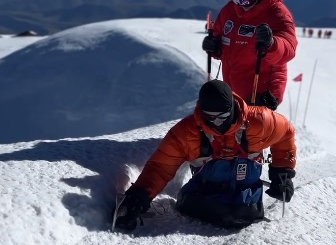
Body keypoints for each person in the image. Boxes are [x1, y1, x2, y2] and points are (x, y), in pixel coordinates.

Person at [114, 80, 296, 231]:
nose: (217, 123)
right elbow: (161, 166)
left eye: (223, 116)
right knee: (194, 205)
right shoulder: (187, 132)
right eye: (211, 117)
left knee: (240, 210)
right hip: (205, 190)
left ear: (232, 108)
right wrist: (140, 196)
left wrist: (282, 173)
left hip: (245, 194)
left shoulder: (260, 121)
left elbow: (286, 133)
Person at [202, 0, 298, 110]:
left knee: (254, 131)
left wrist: (272, 43)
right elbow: (220, 35)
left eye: (248, 0)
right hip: (233, 87)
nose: (242, 4)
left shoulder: (277, 13)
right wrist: (214, 46)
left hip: (261, 91)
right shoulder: (230, 10)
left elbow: (289, 48)